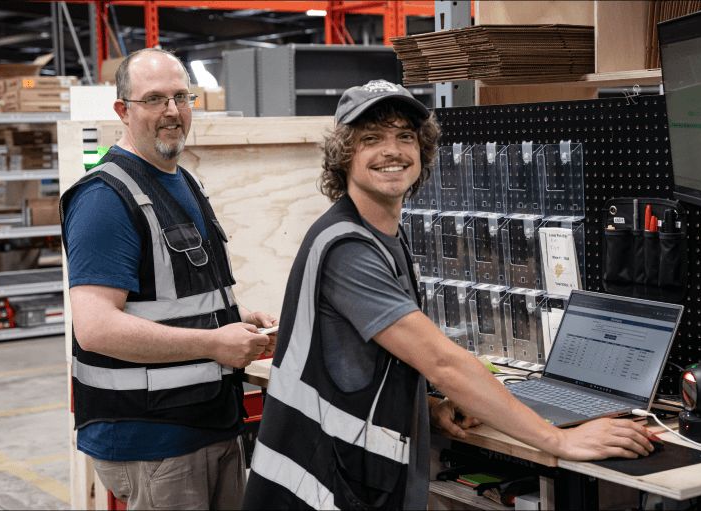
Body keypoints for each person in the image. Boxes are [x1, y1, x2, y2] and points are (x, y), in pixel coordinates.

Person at [242, 79, 657, 510]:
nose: (393, 150)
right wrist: (557, 439)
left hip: (346, 476)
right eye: (371, 139)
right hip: (316, 486)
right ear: (345, 156)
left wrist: (426, 405)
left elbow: (366, 362)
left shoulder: (383, 235)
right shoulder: (348, 248)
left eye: (405, 136)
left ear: (422, 151)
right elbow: (442, 362)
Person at [60, 48, 277, 510]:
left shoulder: (182, 182)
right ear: (123, 110)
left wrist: (236, 319)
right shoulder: (105, 198)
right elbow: (96, 328)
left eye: (181, 96)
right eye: (155, 99)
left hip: (209, 420)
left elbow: (170, 298)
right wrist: (212, 344)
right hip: (153, 437)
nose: (173, 111)